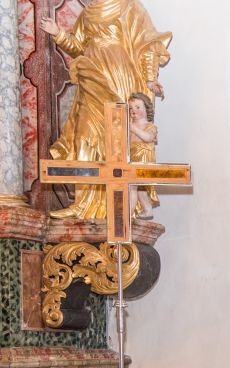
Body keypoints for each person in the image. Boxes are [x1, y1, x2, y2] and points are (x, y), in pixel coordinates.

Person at [40, 1, 171, 220]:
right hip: (91, 77)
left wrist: (150, 78)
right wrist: (58, 34)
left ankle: (122, 206)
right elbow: (78, 47)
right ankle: (82, 204)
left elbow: (147, 44)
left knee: (118, 140)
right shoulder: (87, 13)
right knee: (83, 136)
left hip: (119, 77)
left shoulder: (130, 6)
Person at [128, 93, 158, 219]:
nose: (133, 110)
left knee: (132, 187)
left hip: (144, 160)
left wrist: (133, 128)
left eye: (138, 107)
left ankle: (127, 214)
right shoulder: (129, 128)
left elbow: (148, 138)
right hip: (133, 160)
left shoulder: (149, 126)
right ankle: (147, 209)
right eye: (131, 108)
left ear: (146, 109)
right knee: (139, 188)